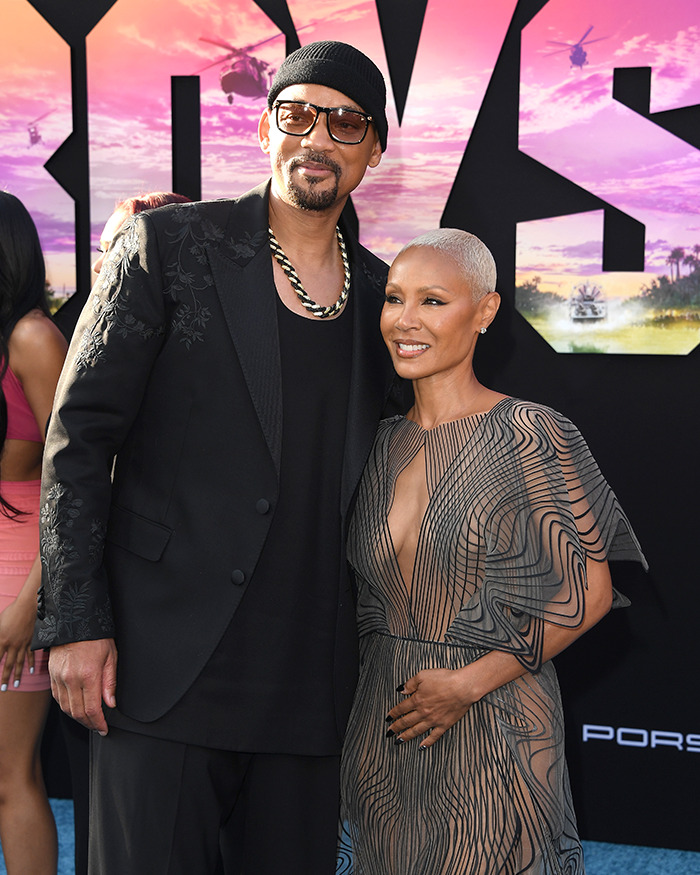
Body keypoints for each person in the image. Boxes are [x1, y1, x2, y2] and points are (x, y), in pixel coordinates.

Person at [33, 41, 400, 874]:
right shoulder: (168, 247)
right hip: (160, 670)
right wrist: (77, 626)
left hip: (309, 686)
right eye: (298, 114)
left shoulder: (384, 298)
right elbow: (79, 439)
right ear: (267, 128)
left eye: (346, 123)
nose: (318, 139)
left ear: (373, 151)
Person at [338, 229, 647, 874]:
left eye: (433, 301)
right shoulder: (376, 441)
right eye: (394, 299)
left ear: (484, 312)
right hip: (383, 722)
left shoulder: (531, 433)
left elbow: (590, 597)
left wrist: (466, 685)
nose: (406, 320)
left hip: (494, 721)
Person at [59, 190, 192, 875]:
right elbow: (71, 477)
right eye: (108, 254)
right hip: (92, 627)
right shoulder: (94, 352)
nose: (114, 272)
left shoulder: (183, 369)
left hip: (154, 642)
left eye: (127, 256)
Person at [0, 191, 68, 874]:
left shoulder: (32, 337)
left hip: (15, 574)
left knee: (9, 776)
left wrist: (30, 605)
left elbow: (75, 479)